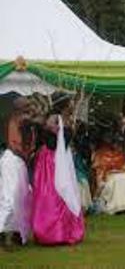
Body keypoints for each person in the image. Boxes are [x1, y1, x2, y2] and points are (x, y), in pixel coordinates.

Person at [32, 92, 84, 245]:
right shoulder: (55, 119)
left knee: (57, 194)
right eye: (70, 103)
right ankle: (55, 232)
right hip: (53, 161)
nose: (72, 105)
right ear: (65, 104)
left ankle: (59, 231)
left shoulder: (57, 118)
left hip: (57, 158)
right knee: (56, 193)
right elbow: (55, 140)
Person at [0, 98, 35, 248]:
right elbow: (14, 145)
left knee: (23, 198)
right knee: (10, 197)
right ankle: (3, 231)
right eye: (26, 105)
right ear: (18, 107)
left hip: (21, 162)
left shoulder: (27, 123)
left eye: (29, 105)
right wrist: (26, 158)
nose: (29, 107)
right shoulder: (14, 121)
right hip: (12, 160)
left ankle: (16, 233)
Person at [92, 114, 125, 215]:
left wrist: (120, 169)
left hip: (120, 172)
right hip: (108, 175)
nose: (113, 143)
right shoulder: (100, 154)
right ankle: (116, 206)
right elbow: (100, 170)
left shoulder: (119, 153)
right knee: (116, 180)